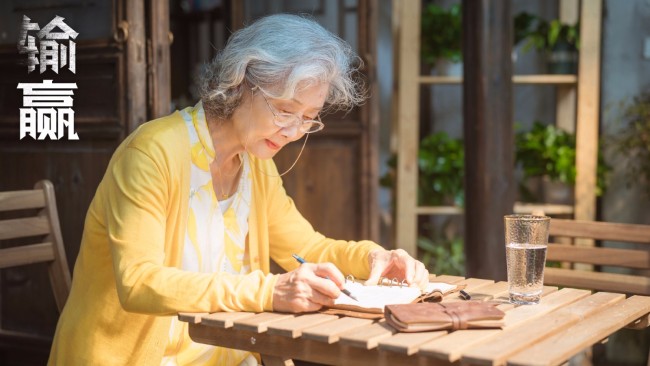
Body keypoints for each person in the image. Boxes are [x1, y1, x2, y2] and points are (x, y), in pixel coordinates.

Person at [48, 13, 429, 365]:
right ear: (242, 81)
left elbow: (309, 248)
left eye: (308, 120)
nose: (294, 132)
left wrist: (373, 258)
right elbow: (138, 283)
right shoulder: (151, 153)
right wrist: (269, 292)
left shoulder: (255, 165)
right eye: (284, 110)